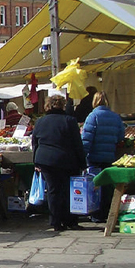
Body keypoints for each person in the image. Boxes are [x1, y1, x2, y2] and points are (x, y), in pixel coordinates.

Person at [32, 94, 84, 232]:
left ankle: (55, 222)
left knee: (53, 190)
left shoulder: (40, 121)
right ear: (63, 105)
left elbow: (35, 142)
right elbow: (77, 144)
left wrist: (35, 162)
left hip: (45, 160)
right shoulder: (69, 120)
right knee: (67, 190)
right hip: (66, 159)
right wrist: (82, 162)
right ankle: (70, 221)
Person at [81, 91, 125, 222]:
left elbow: (86, 139)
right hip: (109, 156)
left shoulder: (92, 116)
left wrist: (82, 156)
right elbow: (120, 136)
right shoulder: (115, 117)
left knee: (94, 186)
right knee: (107, 187)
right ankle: (107, 212)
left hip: (94, 157)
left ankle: (96, 214)